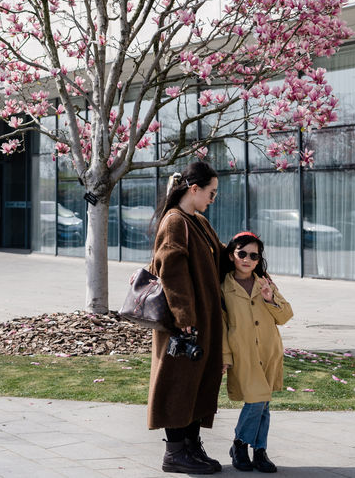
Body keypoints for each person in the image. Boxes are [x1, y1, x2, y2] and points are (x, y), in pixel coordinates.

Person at [147, 160, 225, 475]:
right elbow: (172, 268)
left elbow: (219, 256)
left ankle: (192, 447)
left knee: (198, 382)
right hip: (185, 324)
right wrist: (183, 315)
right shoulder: (176, 221)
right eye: (211, 192)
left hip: (202, 319)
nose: (212, 199)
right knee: (178, 382)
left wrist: (247, 254)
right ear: (194, 189)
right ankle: (175, 453)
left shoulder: (198, 222)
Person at [221, 232, 293, 473]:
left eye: (254, 256)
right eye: (242, 253)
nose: (247, 259)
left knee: (263, 404)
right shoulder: (223, 287)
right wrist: (225, 357)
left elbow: (285, 316)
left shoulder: (265, 283)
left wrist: (270, 299)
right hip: (243, 354)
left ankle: (259, 451)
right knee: (256, 401)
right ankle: (240, 444)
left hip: (268, 350)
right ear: (232, 255)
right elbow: (221, 325)